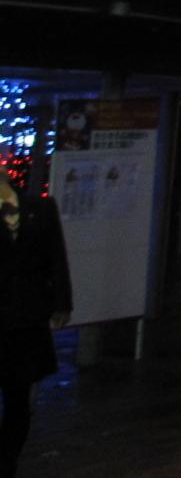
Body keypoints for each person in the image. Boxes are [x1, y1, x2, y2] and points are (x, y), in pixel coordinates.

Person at [0, 174, 72, 478]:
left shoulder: (40, 208)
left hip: (27, 317)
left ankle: (7, 461)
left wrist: (61, 302)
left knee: (19, 397)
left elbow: (56, 257)